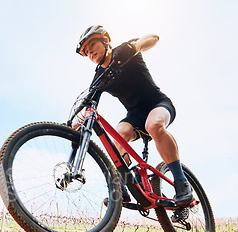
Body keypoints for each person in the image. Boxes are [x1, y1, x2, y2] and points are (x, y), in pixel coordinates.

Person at [72, 25, 192, 206]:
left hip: (157, 104)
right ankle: (123, 188)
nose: (90, 53)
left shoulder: (124, 51)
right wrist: (75, 121)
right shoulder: (99, 76)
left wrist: (137, 46)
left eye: (92, 46)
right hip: (135, 115)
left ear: (105, 40)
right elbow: (90, 104)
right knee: (118, 136)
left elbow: (153, 38)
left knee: (154, 125)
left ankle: (181, 181)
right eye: (86, 52)